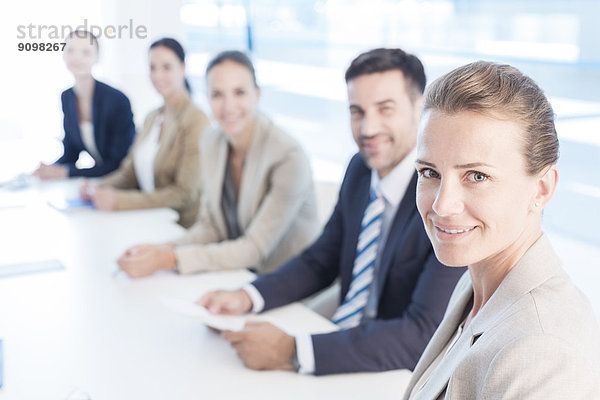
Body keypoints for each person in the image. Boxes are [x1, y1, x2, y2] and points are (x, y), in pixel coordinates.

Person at [198, 48, 466, 375]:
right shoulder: (359, 168)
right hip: (346, 338)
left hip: (399, 371)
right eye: (357, 111)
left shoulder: (445, 198)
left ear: (419, 107)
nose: (368, 128)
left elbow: (422, 335)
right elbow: (321, 259)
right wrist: (248, 296)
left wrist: (294, 350)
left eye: (385, 109)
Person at [403, 61, 600, 399]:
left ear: (541, 189)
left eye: (476, 176)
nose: (442, 205)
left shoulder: (544, 350)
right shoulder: (477, 286)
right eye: (430, 173)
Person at [115, 50, 319, 277]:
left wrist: (169, 259)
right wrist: (163, 249)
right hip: (236, 273)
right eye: (217, 94)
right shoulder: (212, 141)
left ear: (257, 94)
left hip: (288, 282)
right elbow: (211, 227)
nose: (228, 106)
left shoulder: (288, 156)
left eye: (239, 92)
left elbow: (255, 248)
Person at [80, 38, 210, 228]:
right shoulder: (152, 118)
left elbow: (184, 193)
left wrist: (120, 201)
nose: (158, 75)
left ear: (182, 68)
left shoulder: (196, 120)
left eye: (166, 67)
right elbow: (129, 174)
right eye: (152, 67)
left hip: (180, 227)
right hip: (148, 220)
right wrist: (97, 187)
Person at [33, 30, 135, 179]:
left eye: (86, 52)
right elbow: (71, 152)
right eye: (70, 50)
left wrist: (66, 172)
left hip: (126, 181)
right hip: (100, 181)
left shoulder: (117, 100)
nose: (77, 58)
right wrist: (51, 169)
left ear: (97, 57)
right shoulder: (67, 97)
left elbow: (117, 163)